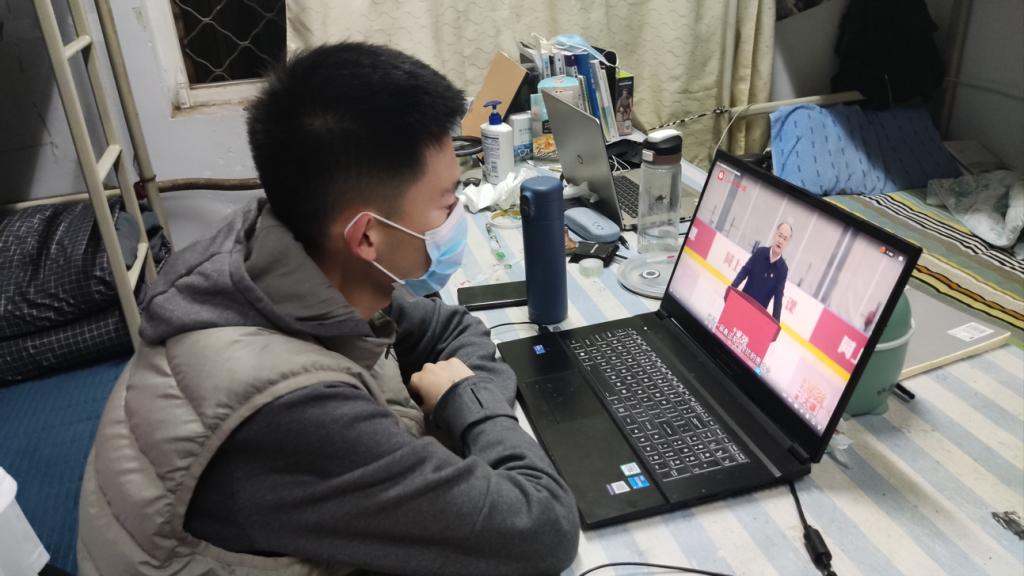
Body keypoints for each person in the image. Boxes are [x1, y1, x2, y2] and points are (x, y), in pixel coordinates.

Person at [77, 43, 580, 576]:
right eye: (446, 202)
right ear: (366, 236)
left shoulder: (292, 255)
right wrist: (466, 400)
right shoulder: (294, 412)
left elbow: (452, 328)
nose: (457, 217)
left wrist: (459, 396)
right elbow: (543, 530)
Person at [729, 222, 792, 322]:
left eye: (784, 239)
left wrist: (776, 322)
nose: (780, 241)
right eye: (780, 235)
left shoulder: (783, 270)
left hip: (757, 317)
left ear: (787, 243)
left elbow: (778, 297)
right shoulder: (760, 252)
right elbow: (744, 271)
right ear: (775, 235)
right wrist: (732, 287)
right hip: (741, 304)